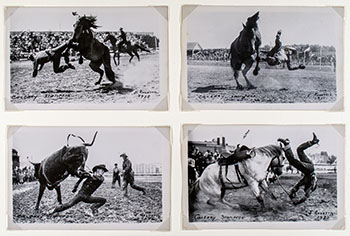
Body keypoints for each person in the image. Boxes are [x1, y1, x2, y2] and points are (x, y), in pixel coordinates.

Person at [277, 133, 319, 205]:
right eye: (305, 189)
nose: (304, 188)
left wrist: (292, 193)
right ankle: (287, 145)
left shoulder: (305, 181)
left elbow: (296, 186)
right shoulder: (312, 185)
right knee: (293, 161)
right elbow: (305, 197)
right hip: (309, 169)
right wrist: (297, 202)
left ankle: (313, 142)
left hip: (310, 167)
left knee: (299, 150)